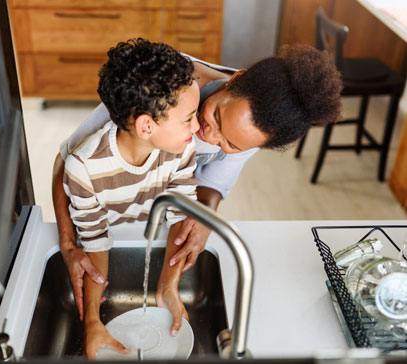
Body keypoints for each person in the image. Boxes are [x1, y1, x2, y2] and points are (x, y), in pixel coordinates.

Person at [52, 43, 343, 325]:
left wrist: (205, 218)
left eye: (230, 144)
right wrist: (67, 246)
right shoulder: (162, 85)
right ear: (235, 79)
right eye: (215, 116)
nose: (207, 135)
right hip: (100, 205)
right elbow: (67, 163)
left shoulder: (255, 128)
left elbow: (209, 189)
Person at [62, 38, 200, 358]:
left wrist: (168, 285)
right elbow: (95, 244)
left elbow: (181, 218)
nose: (197, 126)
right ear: (146, 125)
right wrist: (93, 322)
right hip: (112, 235)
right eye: (188, 118)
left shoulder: (182, 149)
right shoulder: (84, 167)